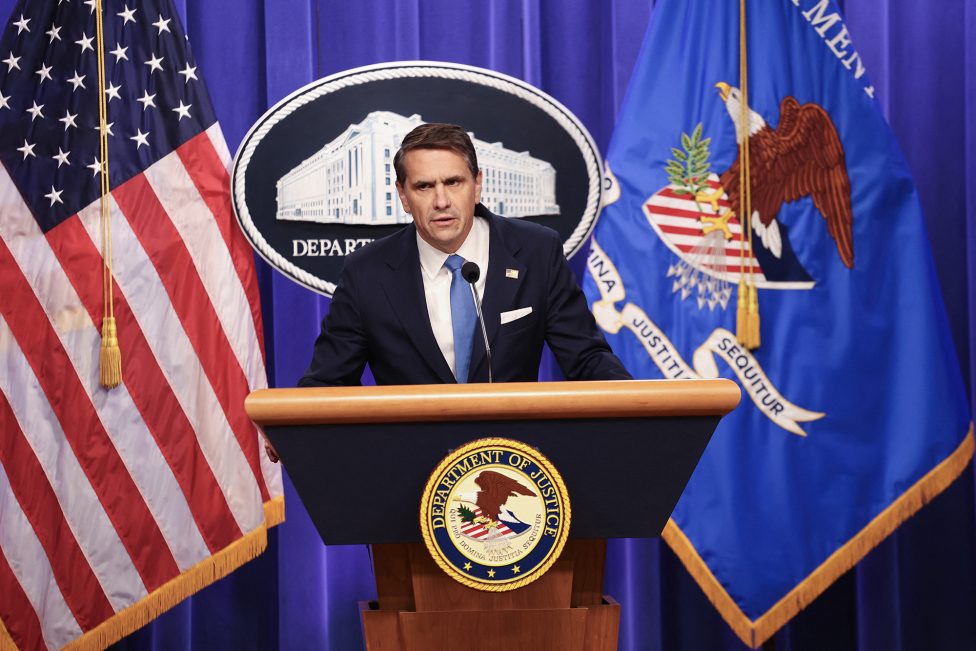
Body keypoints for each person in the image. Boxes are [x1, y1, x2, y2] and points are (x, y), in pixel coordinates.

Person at [298, 122, 630, 387]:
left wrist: (642, 410)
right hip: (412, 463)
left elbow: (587, 359)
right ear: (403, 195)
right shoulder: (367, 272)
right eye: (424, 186)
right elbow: (329, 379)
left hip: (512, 459)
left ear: (477, 184)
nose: (441, 201)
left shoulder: (535, 252)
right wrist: (290, 423)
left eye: (453, 182)